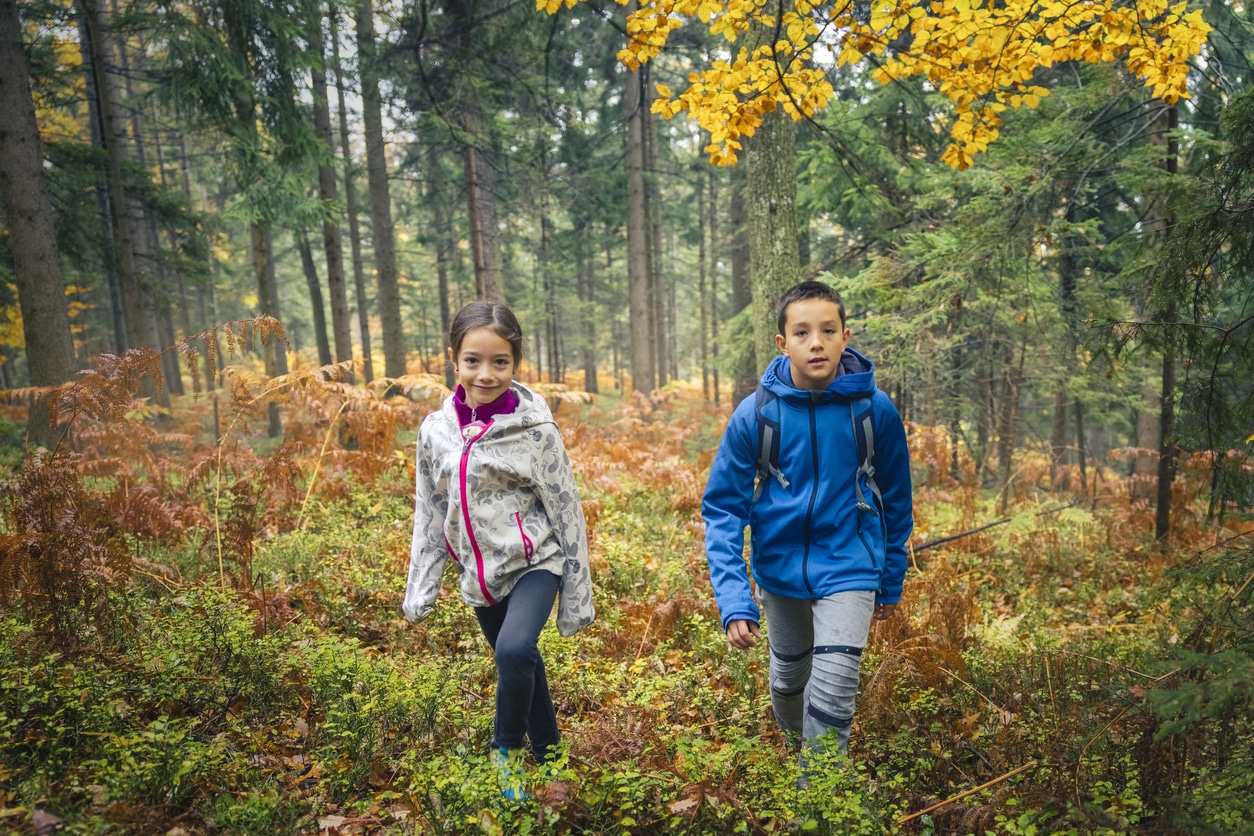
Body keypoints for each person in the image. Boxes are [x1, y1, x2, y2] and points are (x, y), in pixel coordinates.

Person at [702, 280, 913, 760]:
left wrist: (890, 576)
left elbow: (897, 498)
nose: (815, 342)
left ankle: (815, 802)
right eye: (802, 332)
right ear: (783, 343)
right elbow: (723, 509)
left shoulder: (874, 410)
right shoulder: (756, 414)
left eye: (827, 330)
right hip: (779, 570)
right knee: (789, 678)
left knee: (836, 685)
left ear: (845, 336)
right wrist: (734, 600)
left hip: (851, 563)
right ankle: (799, 746)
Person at [402, 300, 594, 799]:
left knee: (513, 650)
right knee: (521, 662)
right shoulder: (434, 431)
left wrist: (577, 594)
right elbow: (430, 508)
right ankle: (551, 754)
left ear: (515, 361)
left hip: (536, 563)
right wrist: (422, 585)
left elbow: (566, 510)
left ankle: (505, 751)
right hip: (478, 573)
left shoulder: (536, 431)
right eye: (473, 360)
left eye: (499, 362)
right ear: (454, 359)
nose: (485, 373)